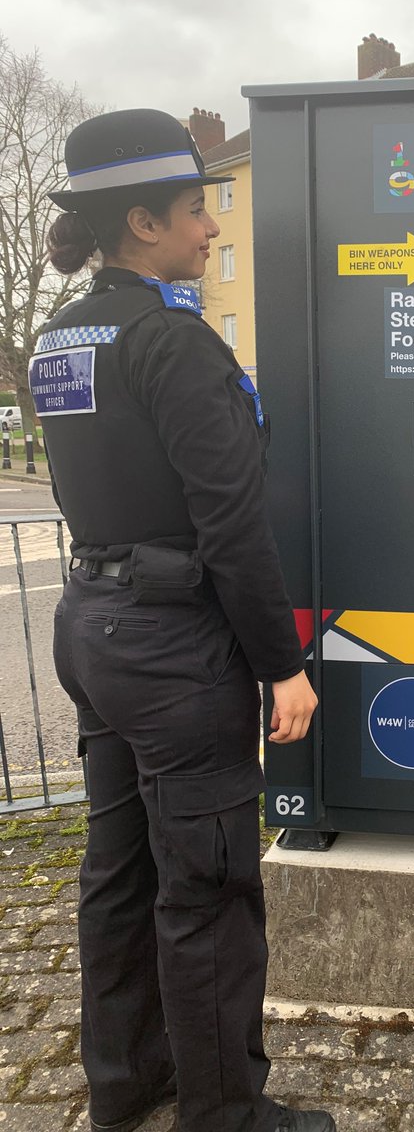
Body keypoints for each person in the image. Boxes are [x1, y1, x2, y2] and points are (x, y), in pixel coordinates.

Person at [30, 110, 336, 1132]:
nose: (211, 228)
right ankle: (226, 1116)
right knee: (207, 887)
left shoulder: (61, 337)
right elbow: (232, 521)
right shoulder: (171, 342)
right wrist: (280, 664)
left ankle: (125, 1086)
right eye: (198, 208)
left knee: (118, 871)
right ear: (143, 221)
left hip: (93, 623)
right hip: (172, 649)